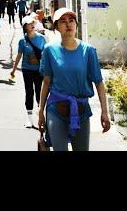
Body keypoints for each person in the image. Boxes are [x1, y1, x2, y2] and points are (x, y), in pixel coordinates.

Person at [38, 8, 111, 151]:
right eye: (63, 22)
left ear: (76, 25)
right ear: (57, 27)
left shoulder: (88, 51)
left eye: (71, 21)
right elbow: (46, 82)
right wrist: (40, 111)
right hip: (56, 109)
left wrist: (104, 111)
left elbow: (98, 82)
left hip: (81, 109)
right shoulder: (49, 50)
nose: (68, 25)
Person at [11, 15, 46, 128]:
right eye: (30, 23)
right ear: (25, 26)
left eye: (33, 23)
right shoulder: (22, 41)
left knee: (40, 93)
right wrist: (14, 69)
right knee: (29, 92)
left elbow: (46, 54)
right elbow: (19, 55)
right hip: (27, 70)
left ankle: (41, 116)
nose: (32, 24)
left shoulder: (41, 38)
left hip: (39, 70)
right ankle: (29, 119)